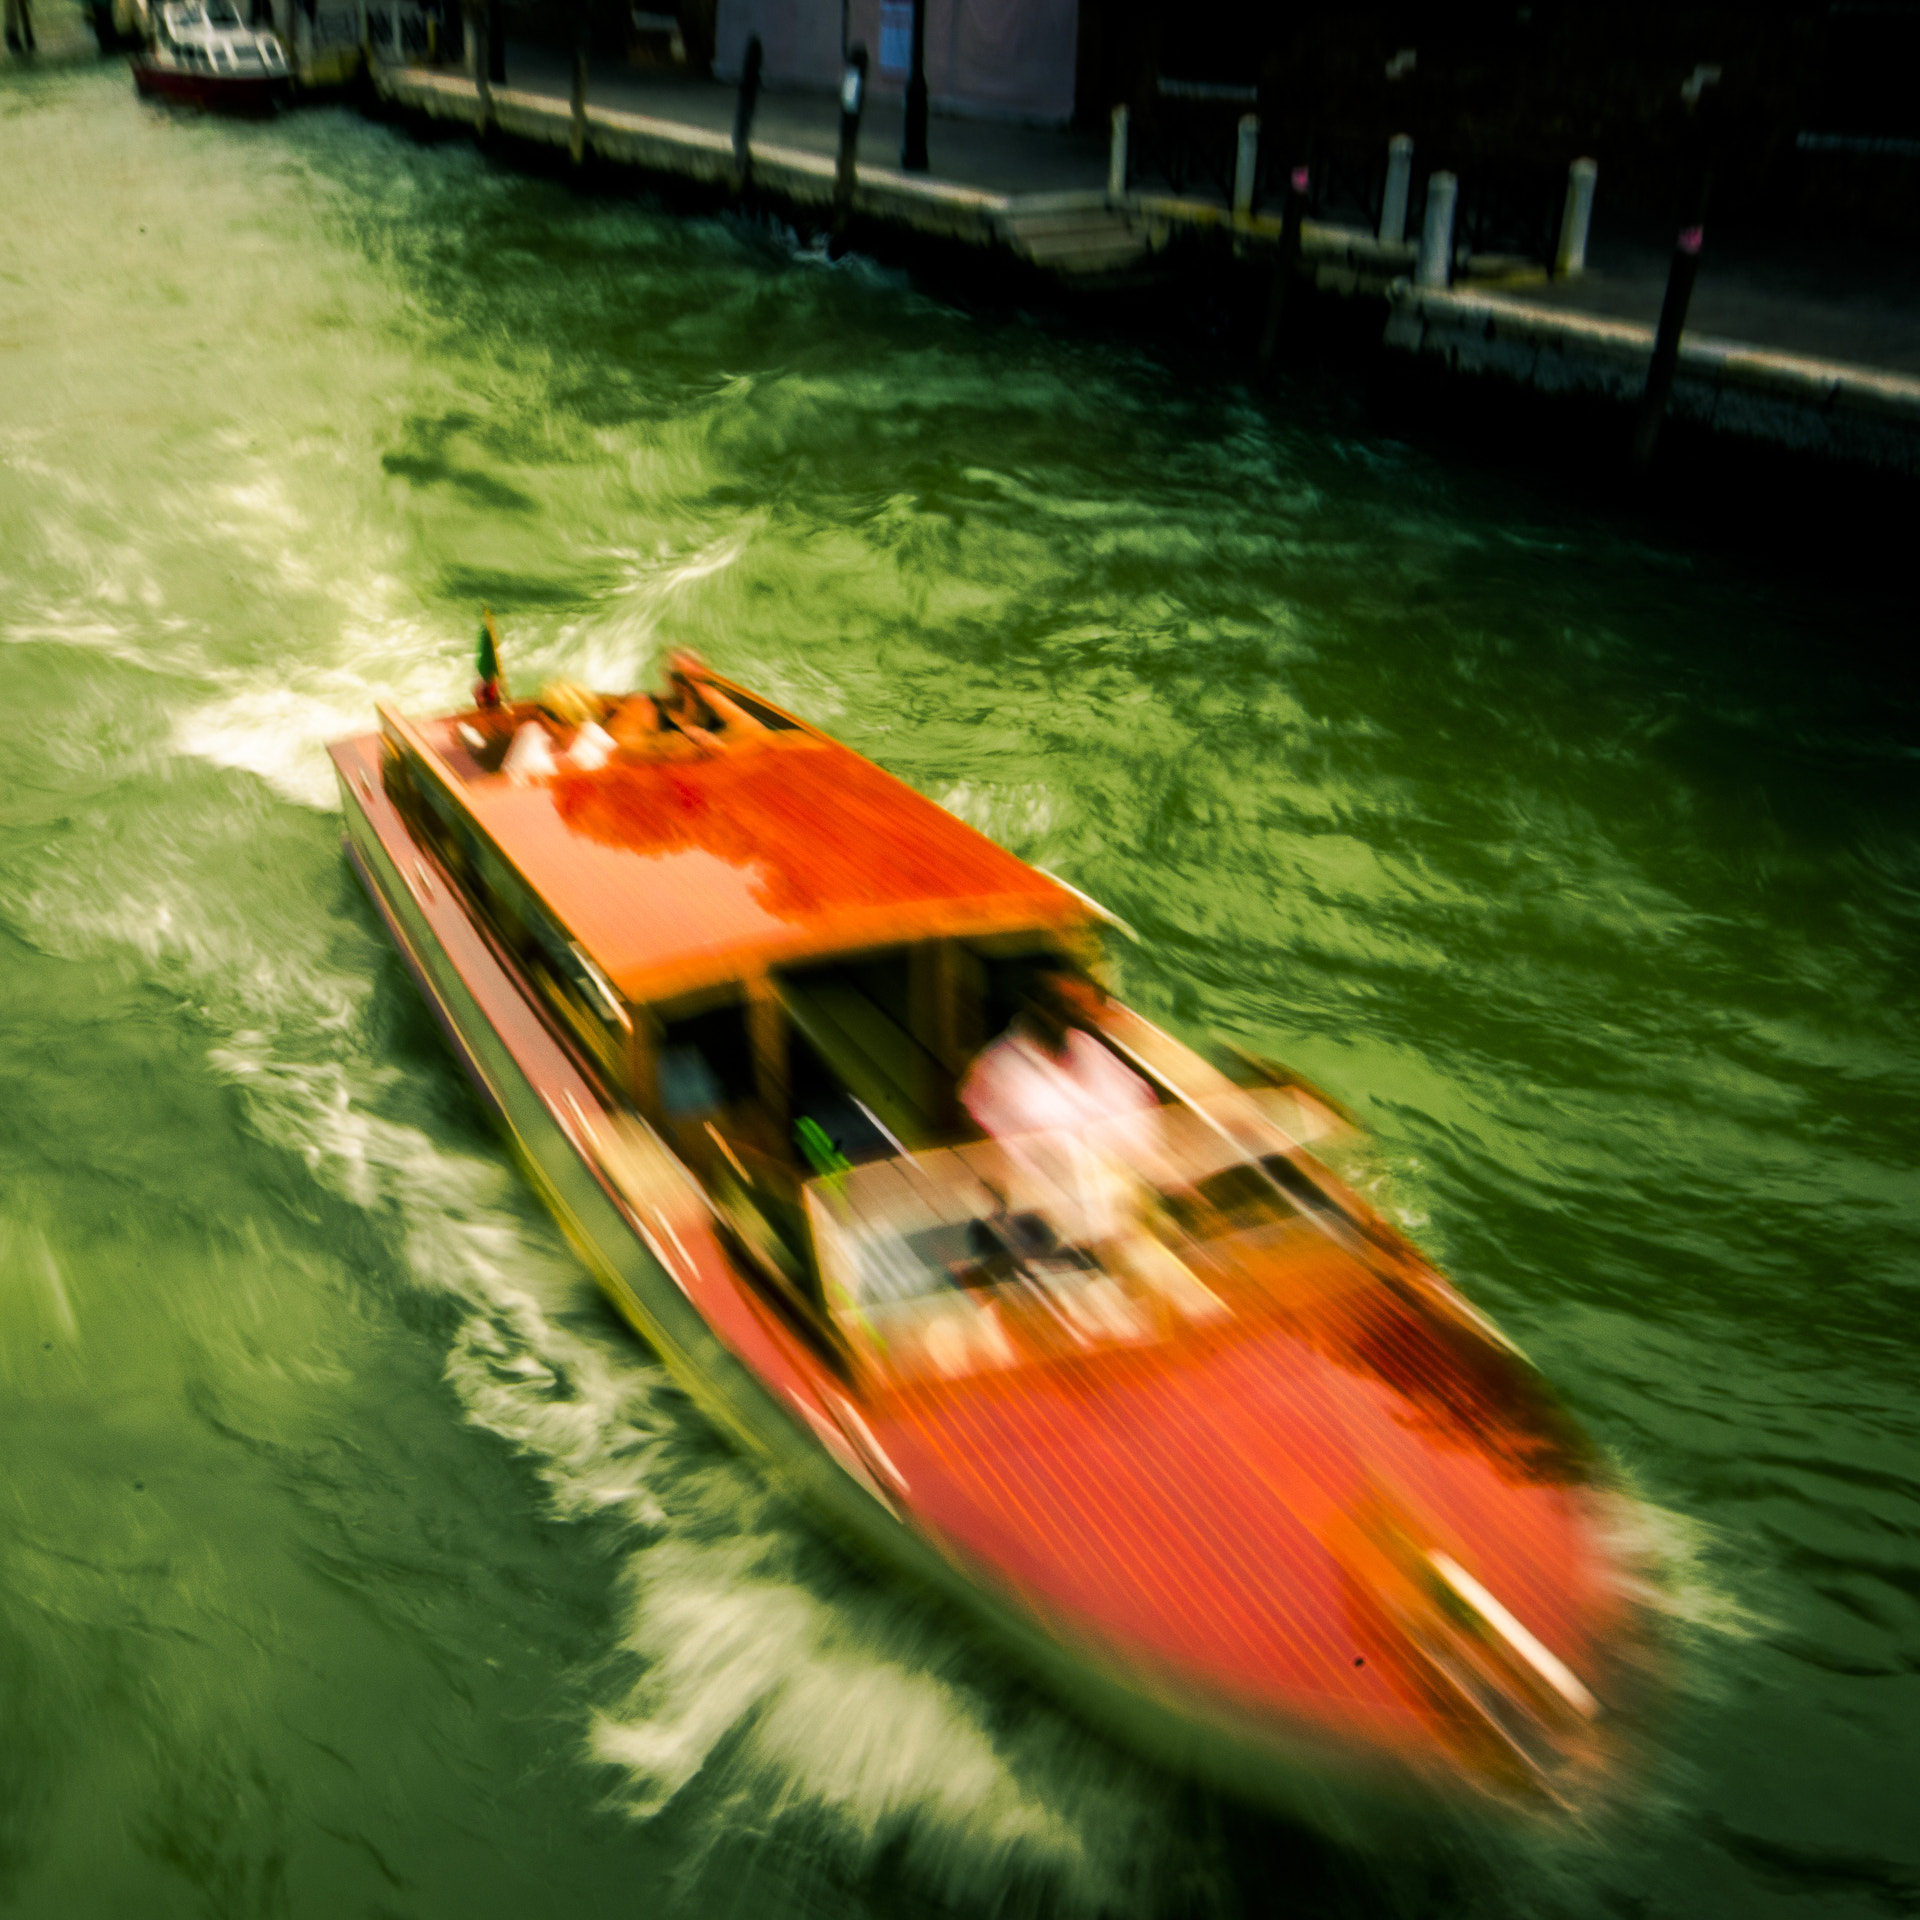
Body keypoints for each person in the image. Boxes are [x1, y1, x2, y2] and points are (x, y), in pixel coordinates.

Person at [960, 971, 1160, 1242]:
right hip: (1047, 1234)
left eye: (1084, 1009)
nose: (1081, 1017)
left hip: (1124, 1222)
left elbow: (1138, 1125)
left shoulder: (1089, 1049)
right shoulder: (994, 1068)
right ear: (1037, 1006)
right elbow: (989, 1166)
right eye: (1067, 1007)